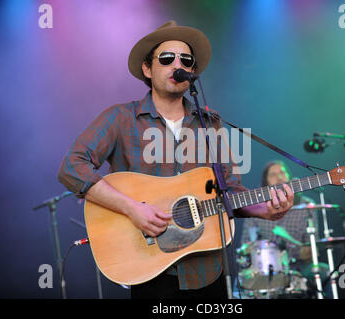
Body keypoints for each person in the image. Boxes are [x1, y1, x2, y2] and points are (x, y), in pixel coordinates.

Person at [57, 21, 294, 299]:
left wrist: (267, 210)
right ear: (148, 69)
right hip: (150, 268)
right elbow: (72, 167)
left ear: (191, 72)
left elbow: (230, 193)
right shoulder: (121, 118)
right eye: (167, 58)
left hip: (208, 269)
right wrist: (133, 209)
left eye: (186, 60)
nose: (177, 65)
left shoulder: (210, 124)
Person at [240, 160, 327, 297]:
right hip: (268, 268)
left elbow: (312, 251)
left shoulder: (307, 205)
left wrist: (289, 244)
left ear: (290, 176)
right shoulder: (256, 208)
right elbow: (246, 245)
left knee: (324, 271)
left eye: (282, 172)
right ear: (266, 183)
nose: (279, 177)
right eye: (273, 175)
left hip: (300, 267)